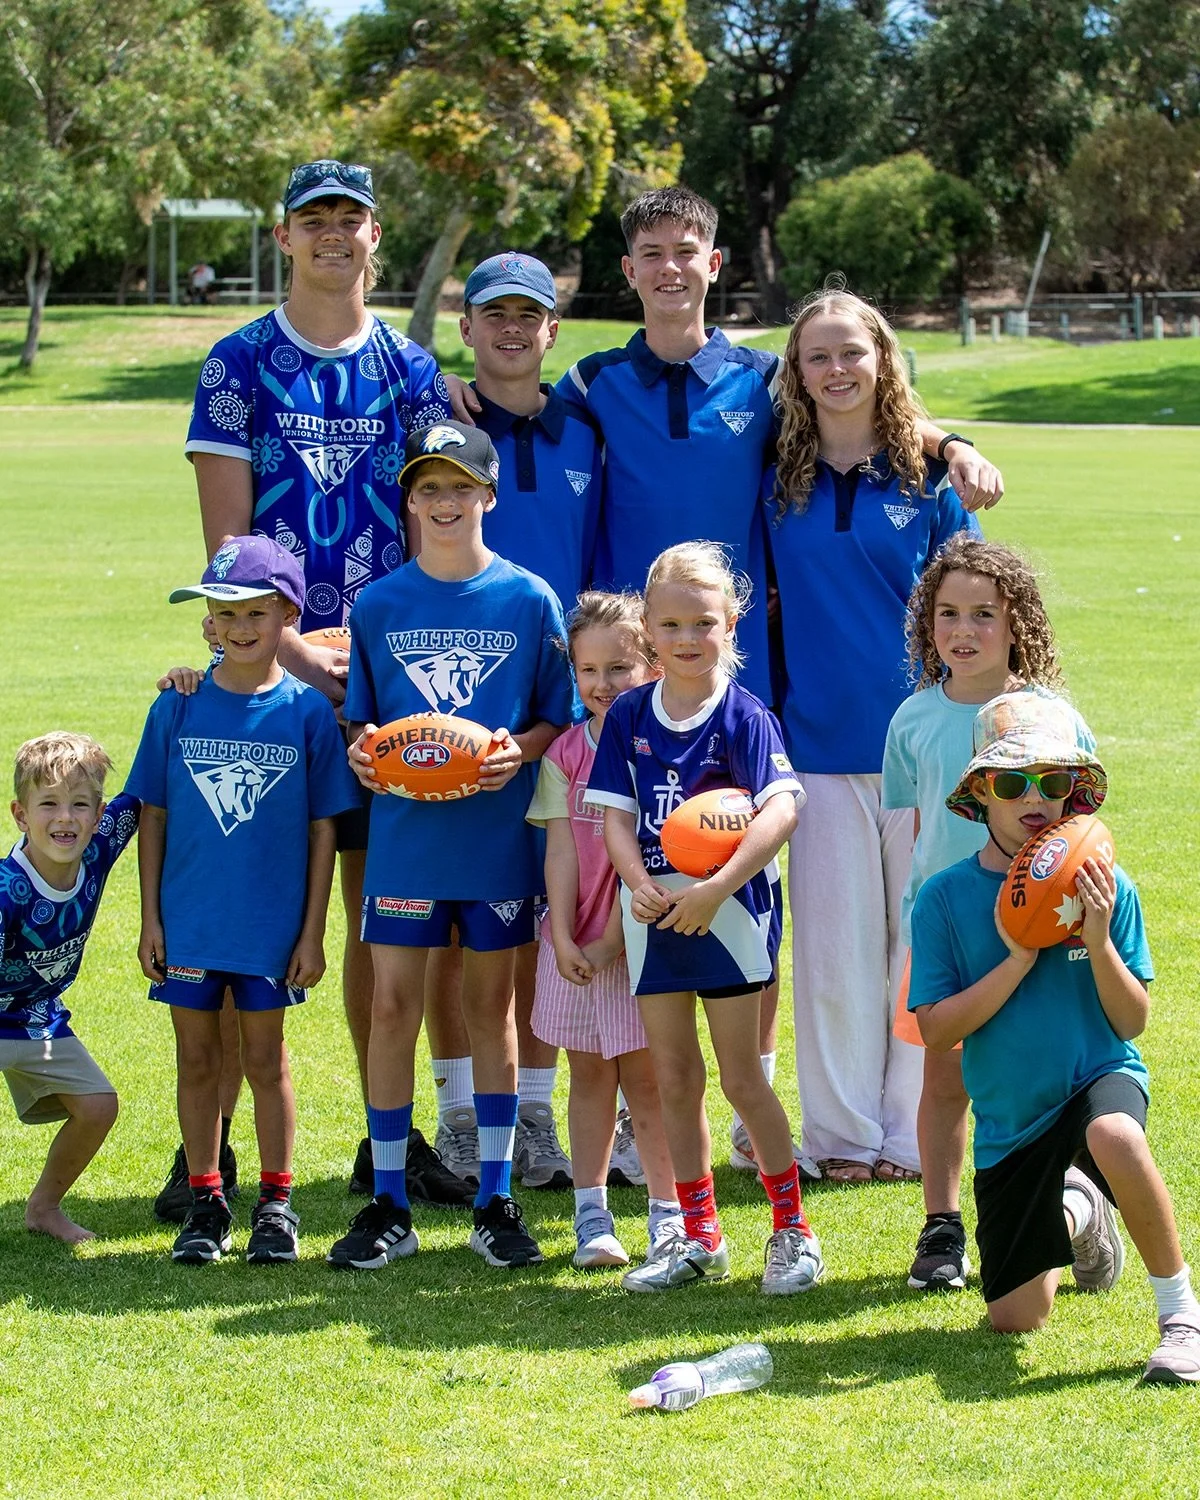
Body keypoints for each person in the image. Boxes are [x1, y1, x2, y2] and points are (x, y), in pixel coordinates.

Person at [177, 158, 467, 1215]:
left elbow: (439, 520)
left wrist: (396, 666)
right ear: (285, 236)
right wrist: (292, 653)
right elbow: (226, 547)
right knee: (245, 903)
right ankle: (203, 1147)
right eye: (316, 221)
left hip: (384, 690)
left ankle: (382, 1137)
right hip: (275, 682)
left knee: (377, 918)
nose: (335, 236)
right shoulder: (238, 362)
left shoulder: (409, 368)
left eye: (352, 219)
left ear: (376, 237)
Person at [328, 421, 575, 1272]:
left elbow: (555, 713)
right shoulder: (380, 603)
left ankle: (495, 1196)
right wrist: (365, 747)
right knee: (394, 1005)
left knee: (491, 1006)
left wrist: (524, 748)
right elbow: (364, 718)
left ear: (488, 496)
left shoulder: (528, 598)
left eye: (459, 487)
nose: (443, 502)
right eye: (427, 488)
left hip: (493, 835)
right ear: (410, 499)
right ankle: (390, 1198)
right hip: (405, 839)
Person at [909, 693, 1200, 1384]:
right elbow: (937, 1028)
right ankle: (1080, 1212)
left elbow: (1131, 1023)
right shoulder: (945, 899)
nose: (1034, 798)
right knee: (1017, 1315)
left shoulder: (1107, 885)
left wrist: (1098, 944)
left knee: (1116, 1137)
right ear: (981, 792)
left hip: (1097, 1073)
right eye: (1013, 782)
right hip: (1013, 1122)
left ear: (1076, 793)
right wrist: (1016, 957)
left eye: (1054, 782)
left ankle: (1181, 1315)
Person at [767, 286, 983, 1184]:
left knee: (916, 946)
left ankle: (905, 1134)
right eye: (818, 356)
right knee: (832, 952)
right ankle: (843, 1136)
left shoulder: (930, 479)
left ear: (883, 358)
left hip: (924, 748)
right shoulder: (775, 475)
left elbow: (974, 601)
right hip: (813, 744)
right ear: (797, 373)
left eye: (852, 351)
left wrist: (953, 441)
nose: (837, 369)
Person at [587, 542, 820, 1294]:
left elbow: (781, 809)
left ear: (733, 623)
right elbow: (615, 819)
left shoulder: (745, 716)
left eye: (705, 623)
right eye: (673, 624)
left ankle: (792, 1232)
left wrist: (716, 886)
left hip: (729, 915)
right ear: (647, 629)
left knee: (741, 1078)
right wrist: (636, 883)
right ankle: (698, 1235)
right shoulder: (628, 715)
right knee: (671, 1078)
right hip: (653, 915)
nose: (688, 640)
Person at [424, 250, 604, 1195]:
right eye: (491, 312)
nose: (509, 328)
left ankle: (534, 1113)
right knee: (461, 927)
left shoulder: (589, 423)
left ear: (550, 331)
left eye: (527, 315)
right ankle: (461, 1117)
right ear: (466, 325)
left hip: (564, 720)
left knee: (548, 918)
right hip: (458, 714)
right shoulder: (437, 425)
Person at [127, 536, 360, 1264]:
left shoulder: (307, 714)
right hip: (192, 923)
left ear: (287, 615)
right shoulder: (176, 708)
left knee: (267, 1062)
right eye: (222, 613)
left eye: (255, 613)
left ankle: (277, 1206)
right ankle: (205, 1201)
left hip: (269, 927)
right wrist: (151, 919)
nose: (237, 627)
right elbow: (154, 816)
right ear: (206, 624)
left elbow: (325, 827)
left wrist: (314, 931)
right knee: (195, 1061)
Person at [883, 536, 1095, 1290]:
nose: (963, 630)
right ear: (926, 624)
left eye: (983, 614)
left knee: (1046, 1073)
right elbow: (918, 828)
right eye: (947, 614)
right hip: (949, 931)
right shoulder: (912, 717)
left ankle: (1070, 1206)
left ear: (1017, 625)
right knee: (944, 1081)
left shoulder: (1053, 718)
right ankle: (941, 1228)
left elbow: (1084, 825)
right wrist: (919, 917)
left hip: (1046, 925)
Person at [526, 590, 680, 1268]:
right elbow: (561, 850)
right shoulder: (563, 752)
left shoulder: (660, 749)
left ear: (649, 663)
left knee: (649, 1084)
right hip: (574, 950)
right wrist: (561, 937)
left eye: (619, 669)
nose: (603, 684)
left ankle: (669, 1217)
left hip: (639, 946)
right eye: (588, 671)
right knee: (588, 1078)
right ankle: (592, 1216)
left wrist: (614, 940)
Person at [1, 734, 137, 1243]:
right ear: (20, 813)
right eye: (49, 804)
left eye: (80, 804)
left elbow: (142, 788)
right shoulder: (5, 893)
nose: (66, 819)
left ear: (99, 813)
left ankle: (43, 1208)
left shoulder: (99, 848)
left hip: (39, 1018)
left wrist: (180, 693)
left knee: (98, 1107)